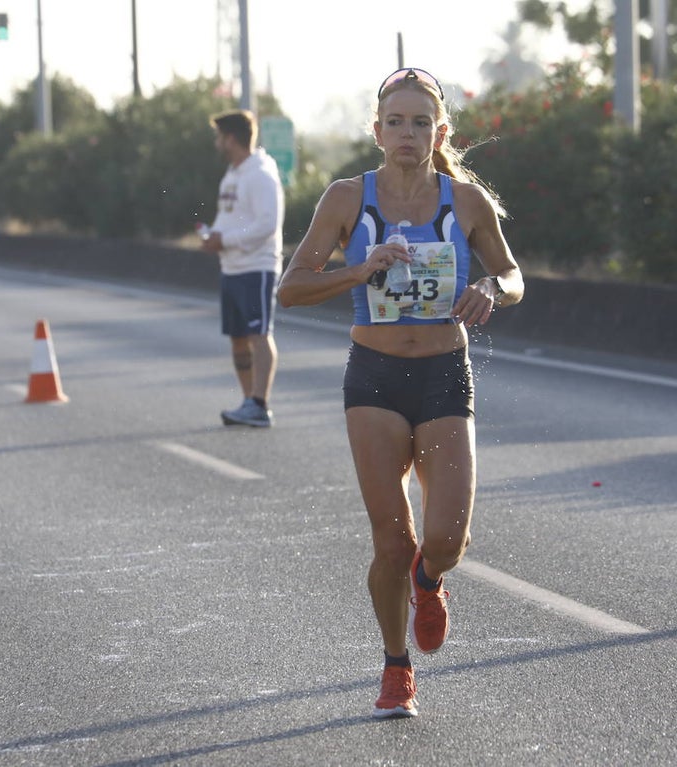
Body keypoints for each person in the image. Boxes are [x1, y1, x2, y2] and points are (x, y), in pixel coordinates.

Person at [276, 67, 523, 718]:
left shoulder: (464, 201)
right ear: (378, 131)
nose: (407, 132)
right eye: (395, 121)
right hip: (375, 378)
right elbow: (290, 286)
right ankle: (396, 667)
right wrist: (359, 269)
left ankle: (429, 581)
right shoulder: (345, 198)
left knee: (443, 539)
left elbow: (513, 271)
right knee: (390, 539)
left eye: (420, 122)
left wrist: (491, 290)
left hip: (444, 374)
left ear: (439, 131)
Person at [201, 109, 285, 428]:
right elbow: (230, 217)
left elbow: (267, 225)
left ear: (231, 138)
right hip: (232, 266)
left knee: (258, 333)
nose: (217, 143)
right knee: (238, 337)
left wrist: (228, 239)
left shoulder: (260, 174)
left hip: (256, 266)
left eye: (219, 137)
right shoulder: (233, 174)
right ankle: (248, 401)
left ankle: (260, 403)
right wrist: (213, 236)